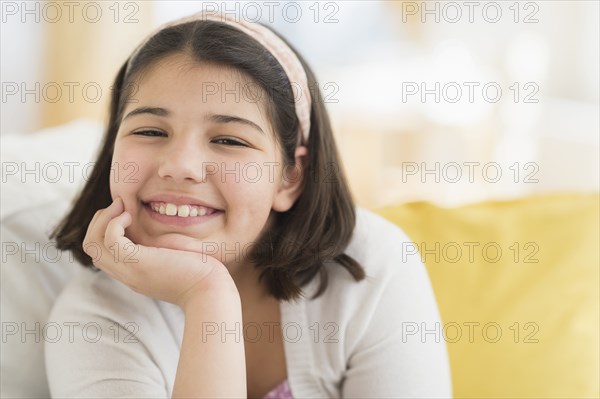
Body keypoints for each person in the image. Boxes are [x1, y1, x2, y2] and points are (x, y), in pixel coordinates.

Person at [46, 11, 452, 398]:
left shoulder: (373, 266)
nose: (181, 167)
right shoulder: (95, 318)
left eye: (229, 140)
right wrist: (206, 294)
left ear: (290, 176)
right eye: (151, 130)